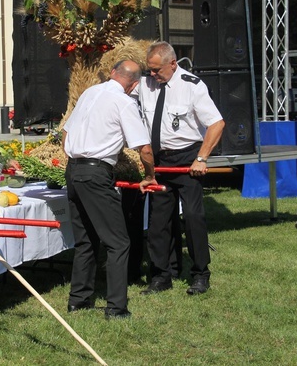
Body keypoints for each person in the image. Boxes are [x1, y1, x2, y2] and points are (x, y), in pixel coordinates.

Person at [63, 59, 157, 320]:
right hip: (95, 173)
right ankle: (116, 307)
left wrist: (76, 161)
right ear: (135, 85)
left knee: (86, 241)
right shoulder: (125, 102)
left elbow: (66, 133)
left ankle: (78, 301)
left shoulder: (90, 92)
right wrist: (149, 175)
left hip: (73, 170)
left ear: (113, 73)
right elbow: (144, 149)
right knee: (118, 242)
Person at [135, 41, 225, 296]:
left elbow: (217, 123)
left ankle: (200, 274)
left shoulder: (192, 87)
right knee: (158, 222)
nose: (152, 75)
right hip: (159, 162)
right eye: (149, 70)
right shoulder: (145, 84)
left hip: (187, 160)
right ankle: (162, 275)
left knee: (194, 217)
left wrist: (202, 158)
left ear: (173, 63)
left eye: (156, 70)